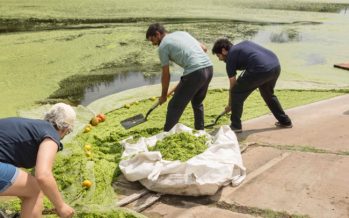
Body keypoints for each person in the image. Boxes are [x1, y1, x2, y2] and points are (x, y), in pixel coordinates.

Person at [0, 103, 76, 218]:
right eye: (68, 132)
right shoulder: (51, 135)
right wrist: (61, 206)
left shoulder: (32, 127)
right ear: (65, 128)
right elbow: (43, 175)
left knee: (27, 188)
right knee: (35, 190)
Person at [212, 38, 292, 133]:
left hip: (260, 69)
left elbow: (233, 85)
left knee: (236, 92)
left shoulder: (230, 57)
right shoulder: (244, 44)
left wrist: (230, 104)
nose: (219, 59)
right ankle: (285, 121)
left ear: (224, 50)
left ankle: (235, 126)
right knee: (267, 94)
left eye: (218, 56)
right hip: (275, 65)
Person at [146, 23, 213, 131]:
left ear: (157, 34)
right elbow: (204, 49)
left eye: (152, 40)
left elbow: (166, 75)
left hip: (195, 72)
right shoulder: (182, 33)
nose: (153, 44)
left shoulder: (163, 46)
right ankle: (200, 131)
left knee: (174, 106)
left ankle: (167, 135)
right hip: (209, 68)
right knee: (197, 103)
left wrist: (163, 95)